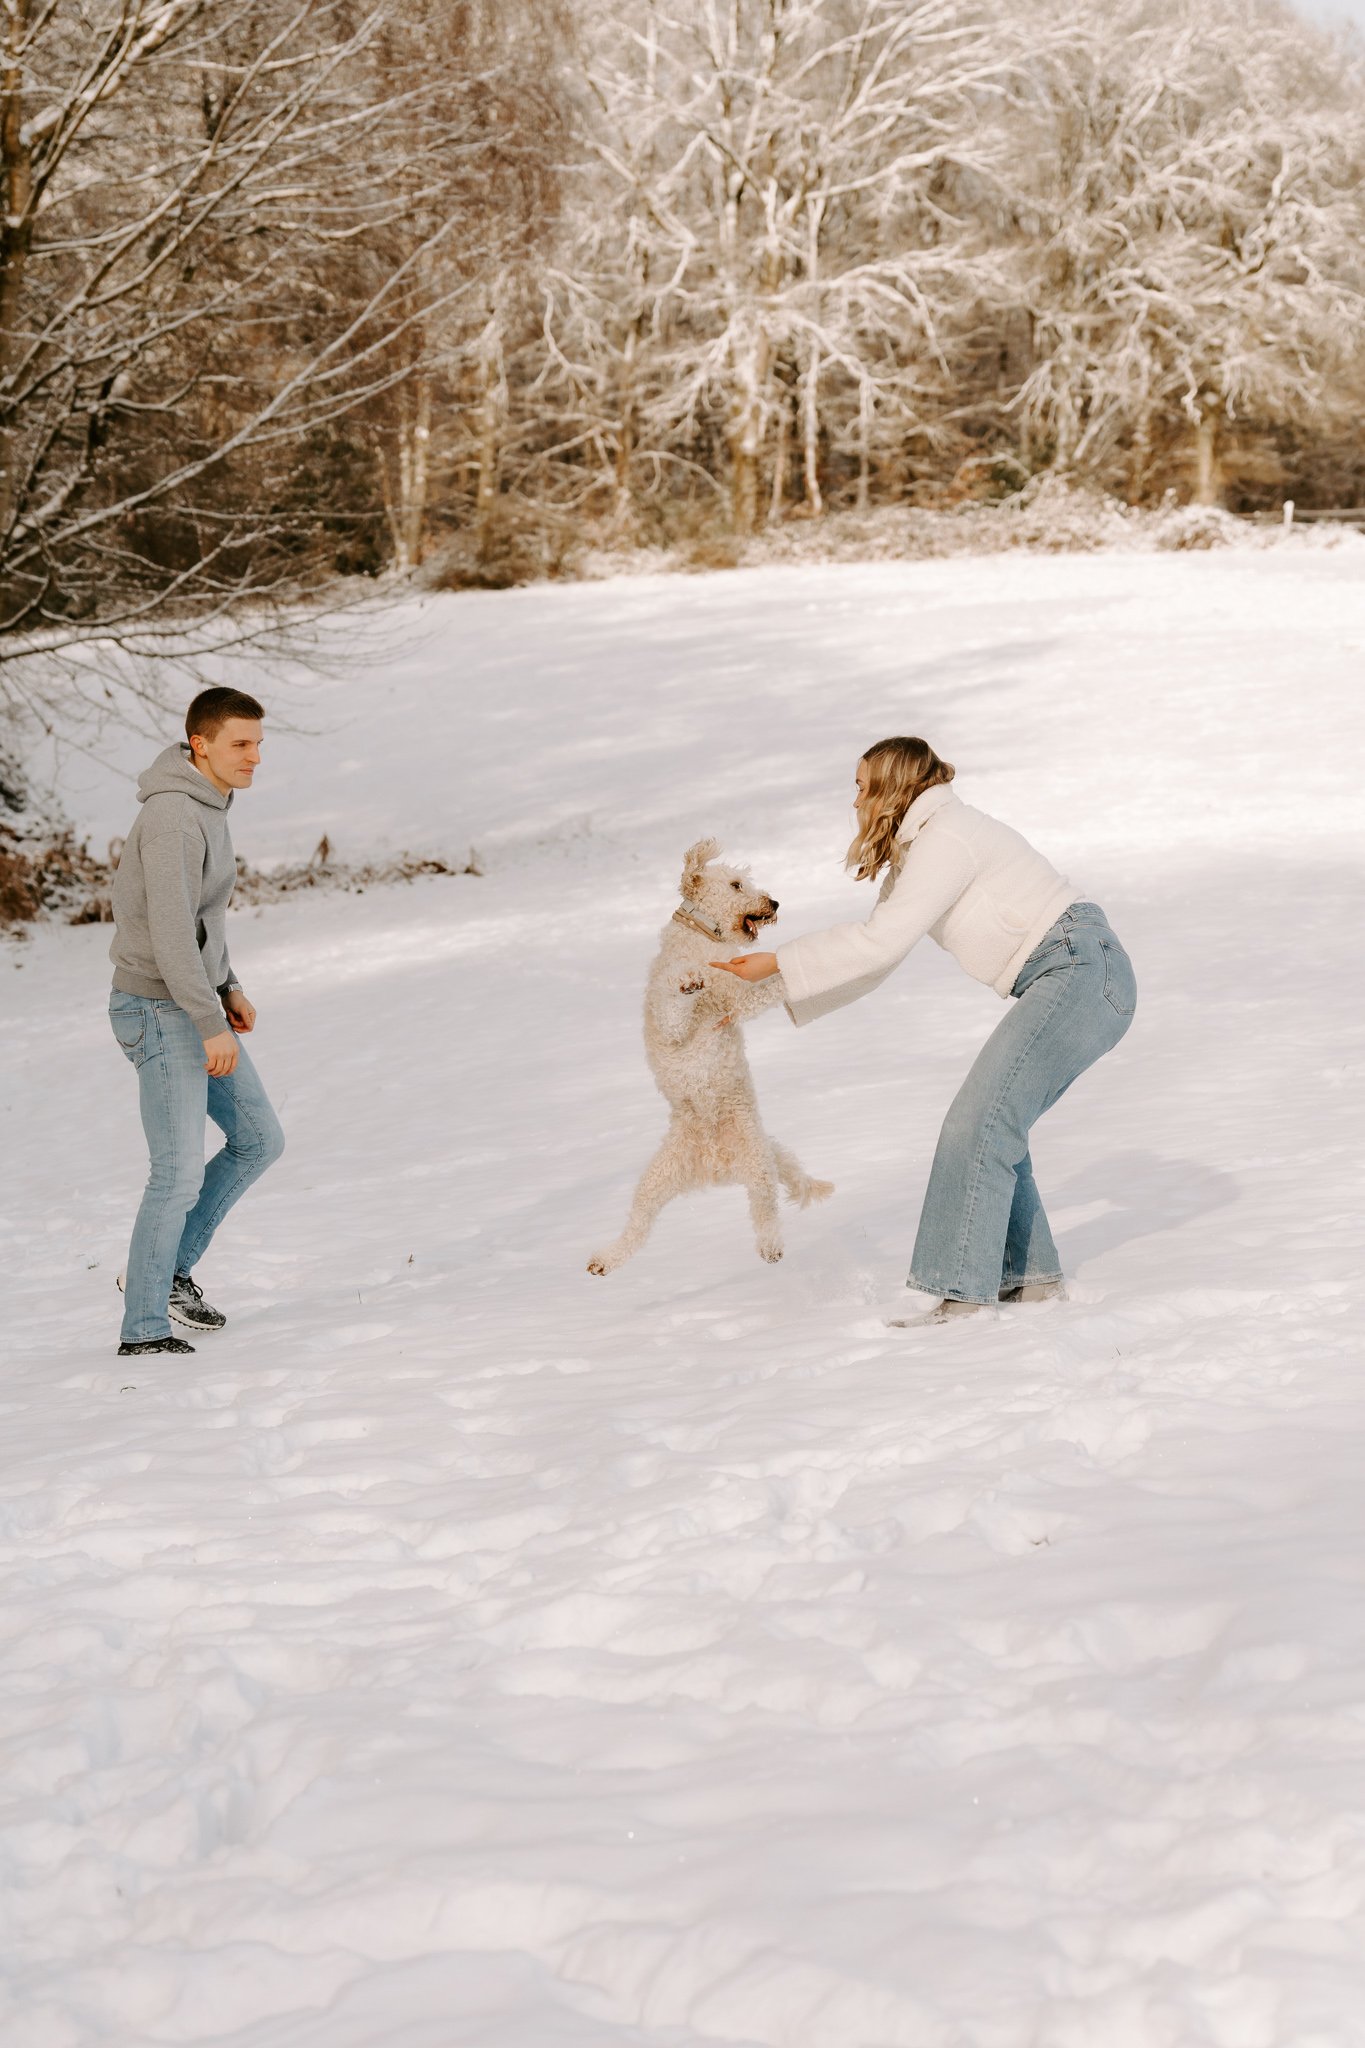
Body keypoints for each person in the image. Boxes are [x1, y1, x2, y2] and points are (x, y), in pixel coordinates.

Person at [712, 737, 1135, 1325]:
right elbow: (877, 956)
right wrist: (761, 991)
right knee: (994, 1124)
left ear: (892, 786)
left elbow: (877, 943)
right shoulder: (924, 848)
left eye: (862, 786)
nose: (855, 800)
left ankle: (962, 1296)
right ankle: (1030, 1280)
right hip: (1076, 973)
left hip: (1083, 969)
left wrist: (776, 961)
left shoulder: (947, 837)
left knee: (979, 1122)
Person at [107, 687, 284, 1357]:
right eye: (241, 744)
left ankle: (161, 1270)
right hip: (158, 1007)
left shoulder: (209, 804)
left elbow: (203, 919)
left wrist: (228, 984)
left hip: (191, 1000)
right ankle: (144, 1328)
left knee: (260, 1139)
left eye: (259, 744)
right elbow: (173, 935)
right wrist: (209, 1019)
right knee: (175, 1172)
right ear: (200, 743)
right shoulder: (177, 815)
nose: (254, 757)